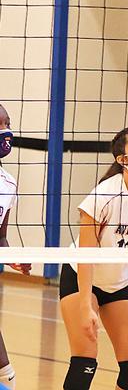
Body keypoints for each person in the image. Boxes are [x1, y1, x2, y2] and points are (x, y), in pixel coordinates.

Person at [60, 127, 128, 390]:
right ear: (122, 159)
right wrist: (87, 304)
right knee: (84, 363)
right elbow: (85, 255)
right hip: (82, 278)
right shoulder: (103, 196)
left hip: (117, 282)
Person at [0, 104, 31, 389]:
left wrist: (14, 258)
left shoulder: (8, 183)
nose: (5, 131)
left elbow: (1, 236)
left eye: (7, 123)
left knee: (6, 376)